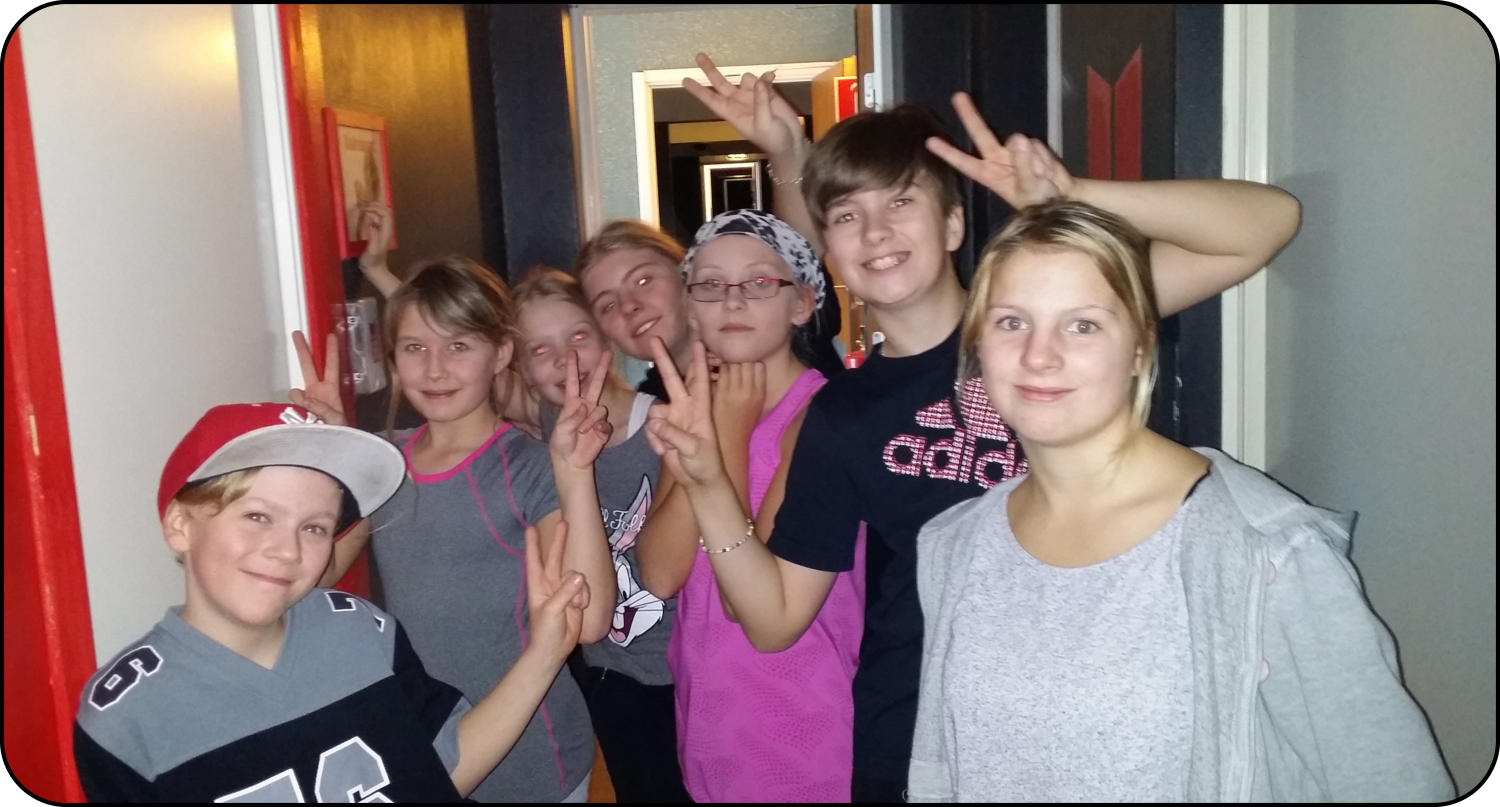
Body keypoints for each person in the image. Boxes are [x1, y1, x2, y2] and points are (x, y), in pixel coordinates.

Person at [639, 91, 1306, 801]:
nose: (875, 232)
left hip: (1108, 709)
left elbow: (1264, 225)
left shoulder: (1043, 329)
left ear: (954, 221)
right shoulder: (841, 414)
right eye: (847, 216)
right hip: (922, 741)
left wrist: (1070, 196)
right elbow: (773, 620)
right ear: (831, 253)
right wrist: (708, 484)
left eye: (901, 202)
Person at [908, 199, 1456, 802]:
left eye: (1083, 325)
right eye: (1012, 322)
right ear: (978, 343)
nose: (1040, 355)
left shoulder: (1266, 555)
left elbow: (1389, 780)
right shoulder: (953, 546)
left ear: (1140, 348)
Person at [72, 402, 591, 802]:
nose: (287, 550)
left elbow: (440, 767)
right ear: (180, 525)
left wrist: (545, 652)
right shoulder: (125, 718)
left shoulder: (364, 632)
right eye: (257, 516)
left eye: (315, 527)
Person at [308, 257, 615, 802]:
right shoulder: (384, 460)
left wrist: (574, 472)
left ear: (501, 353)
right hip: (429, 744)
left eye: (458, 345)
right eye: (414, 347)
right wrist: (331, 466)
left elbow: (588, 622)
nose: (435, 369)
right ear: (392, 358)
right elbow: (319, 572)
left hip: (531, 756)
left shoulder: (528, 465)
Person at [636, 209, 865, 803]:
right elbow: (659, 574)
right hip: (711, 718)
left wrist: (729, 439)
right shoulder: (695, 405)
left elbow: (747, 602)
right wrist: (715, 421)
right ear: (691, 308)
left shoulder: (822, 417)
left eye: (760, 282)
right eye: (710, 285)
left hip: (802, 722)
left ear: (802, 303)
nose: (732, 300)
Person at [511, 267, 690, 803]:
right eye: (539, 350)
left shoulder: (662, 426)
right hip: (609, 670)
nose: (564, 360)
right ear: (518, 367)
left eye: (578, 336)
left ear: (606, 337)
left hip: (683, 667)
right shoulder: (544, 419)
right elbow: (461, 359)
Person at [576, 54, 845, 401]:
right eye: (607, 305)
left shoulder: (765, 327)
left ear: (686, 278)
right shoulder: (652, 406)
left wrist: (785, 152)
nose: (629, 306)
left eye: (643, 281)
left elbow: (797, 250)